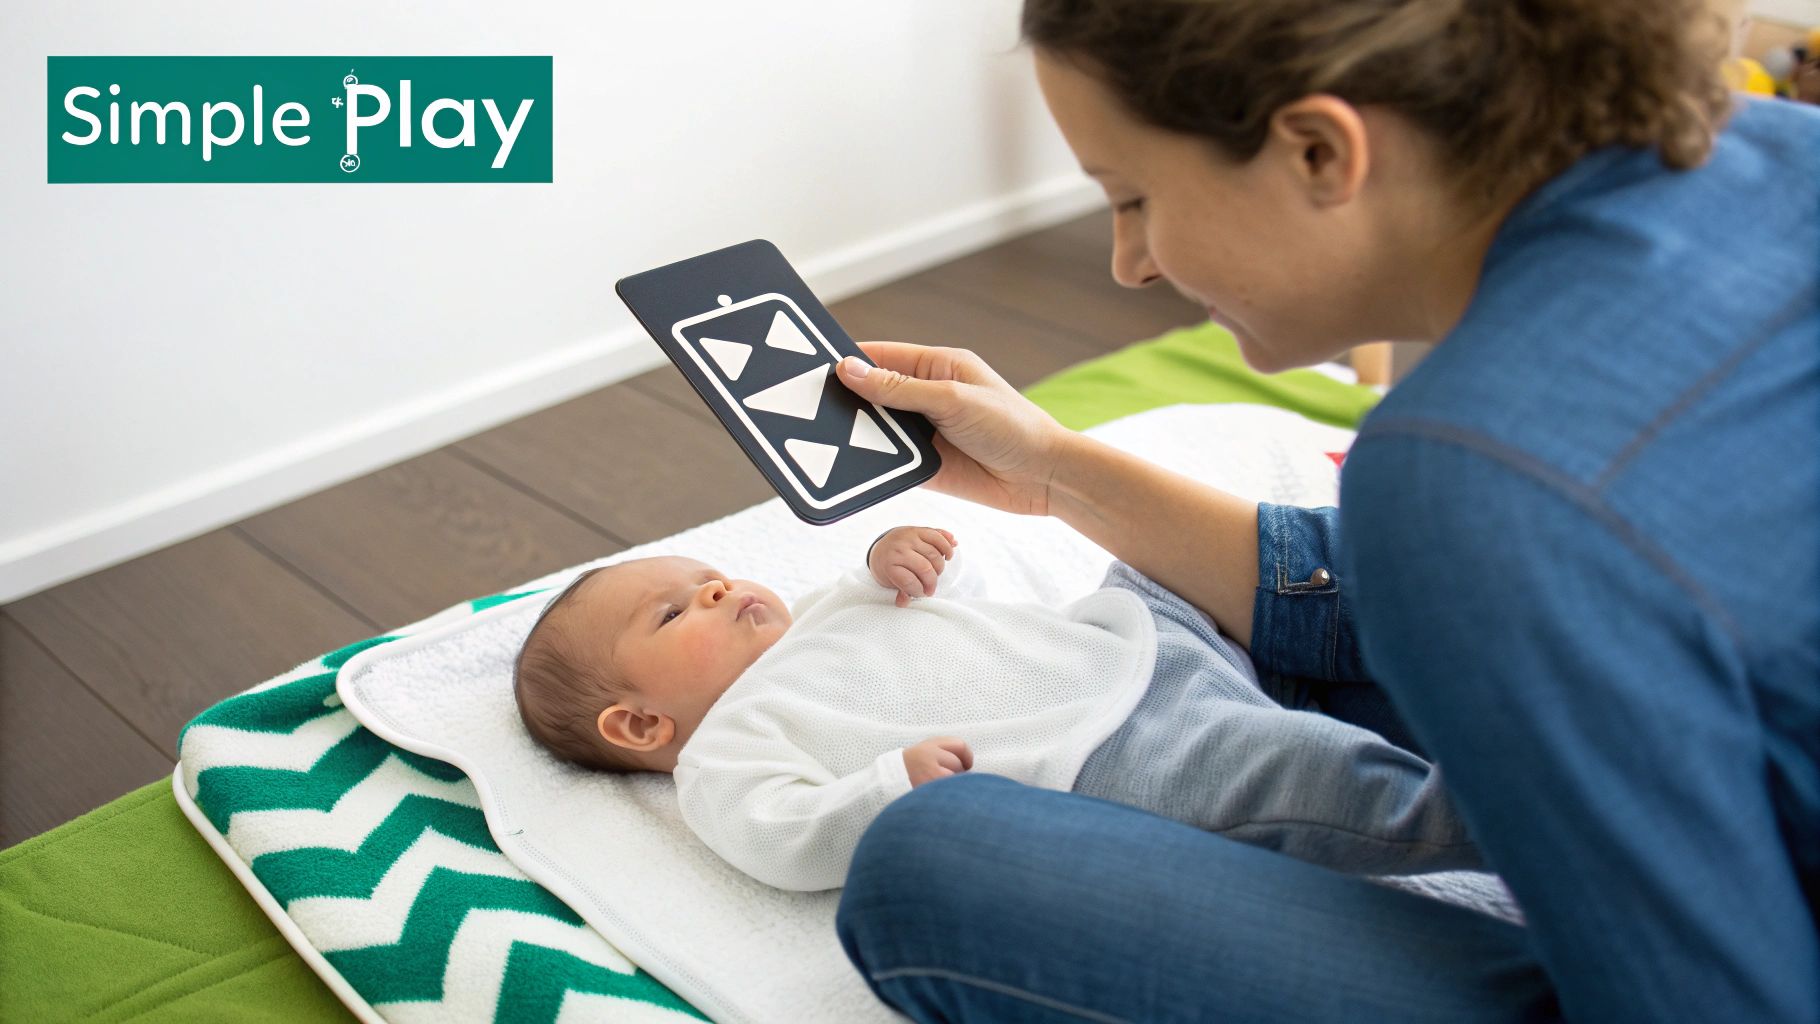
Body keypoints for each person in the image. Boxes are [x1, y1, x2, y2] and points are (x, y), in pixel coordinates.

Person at [826, 0, 1820, 1021]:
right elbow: (1554, 566)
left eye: (1130, 198)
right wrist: (1054, 472)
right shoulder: (1781, 147)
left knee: (934, 862)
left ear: (1315, 150)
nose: (1130, 262)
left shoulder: (1473, 471)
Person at [509, 526, 1481, 893]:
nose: (718, 590)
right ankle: (1518, 824)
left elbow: (959, 608)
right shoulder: (726, 755)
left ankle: (1381, 674)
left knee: (1161, 554)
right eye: (676, 609)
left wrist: (907, 560)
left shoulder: (830, 605)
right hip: (1109, 755)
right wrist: (890, 788)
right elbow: (783, 837)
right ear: (640, 724)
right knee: (1314, 779)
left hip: (1128, 643)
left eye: (711, 576)